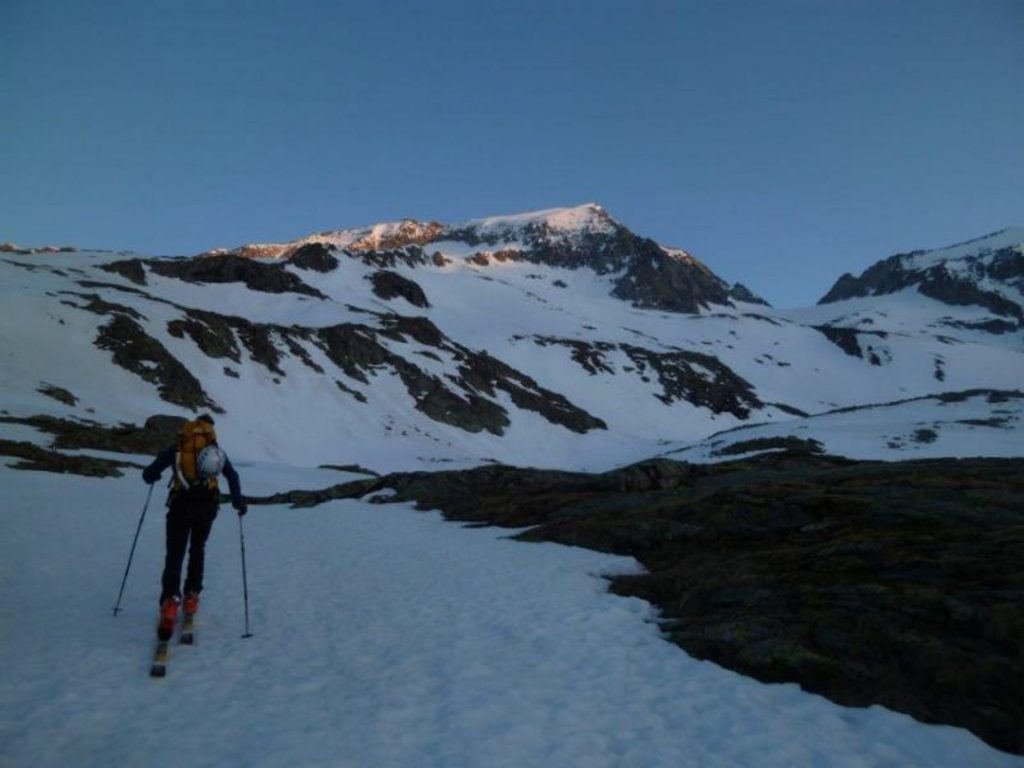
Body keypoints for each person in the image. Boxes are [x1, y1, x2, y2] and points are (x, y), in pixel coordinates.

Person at [142, 414, 247, 639]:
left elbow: (149, 473)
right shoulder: (215, 450)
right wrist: (238, 501)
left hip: (180, 507)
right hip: (207, 508)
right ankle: (191, 596)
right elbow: (232, 475)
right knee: (197, 549)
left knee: (175, 554)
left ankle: (170, 602)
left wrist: (152, 476)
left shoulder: (178, 448)